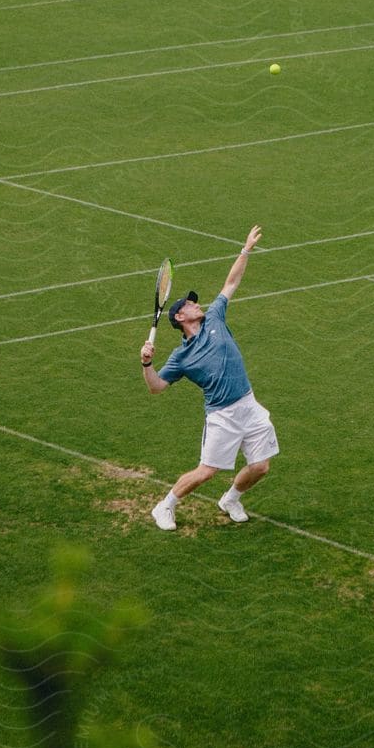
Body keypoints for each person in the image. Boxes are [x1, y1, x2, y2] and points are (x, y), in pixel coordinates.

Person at [140, 225, 278, 530]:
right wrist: (147, 364)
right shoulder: (180, 357)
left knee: (261, 466)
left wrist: (245, 250)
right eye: (190, 303)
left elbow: (231, 282)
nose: (196, 303)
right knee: (206, 471)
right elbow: (157, 388)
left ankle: (230, 499)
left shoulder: (215, 316)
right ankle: (164, 506)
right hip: (222, 416)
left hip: (248, 403)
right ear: (180, 317)